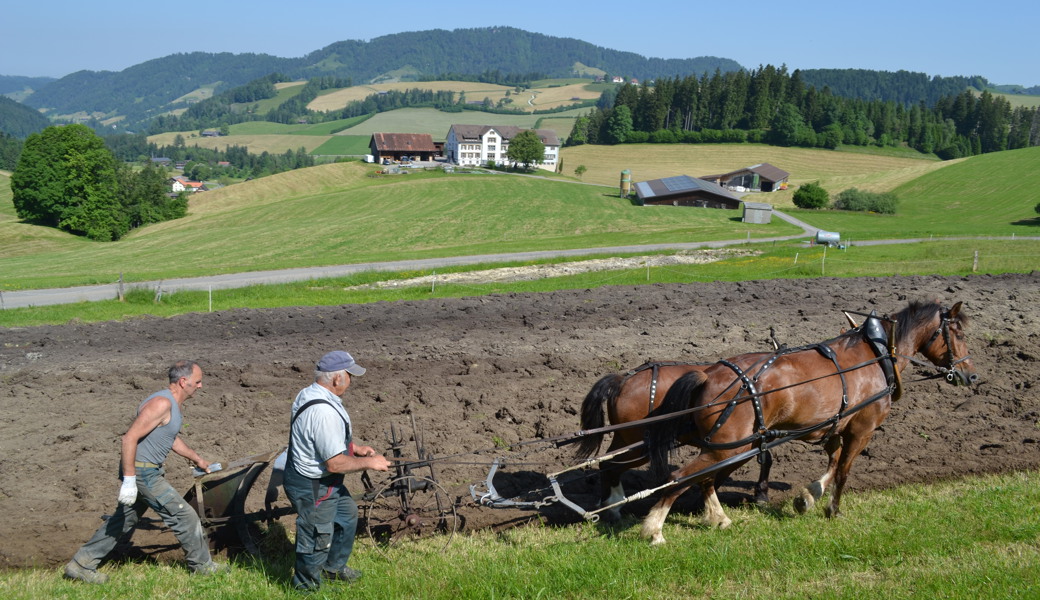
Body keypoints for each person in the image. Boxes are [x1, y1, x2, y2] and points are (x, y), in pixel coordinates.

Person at [64, 360, 227, 584]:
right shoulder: (161, 403)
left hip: (144, 472)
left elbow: (169, 437)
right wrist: (130, 480)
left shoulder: (170, 404)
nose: (200, 386)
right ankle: (203, 567)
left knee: (123, 520)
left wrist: (197, 458)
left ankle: (81, 565)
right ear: (183, 381)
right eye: (197, 382)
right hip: (143, 474)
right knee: (185, 516)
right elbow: (129, 438)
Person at [283, 350, 390, 591]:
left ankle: (333, 569)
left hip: (324, 481)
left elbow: (322, 440)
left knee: (346, 515)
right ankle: (305, 588)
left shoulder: (312, 393)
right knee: (316, 536)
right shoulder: (323, 412)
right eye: (350, 375)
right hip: (313, 484)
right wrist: (370, 463)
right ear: (337, 379)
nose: (352, 381)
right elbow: (335, 463)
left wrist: (356, 448)